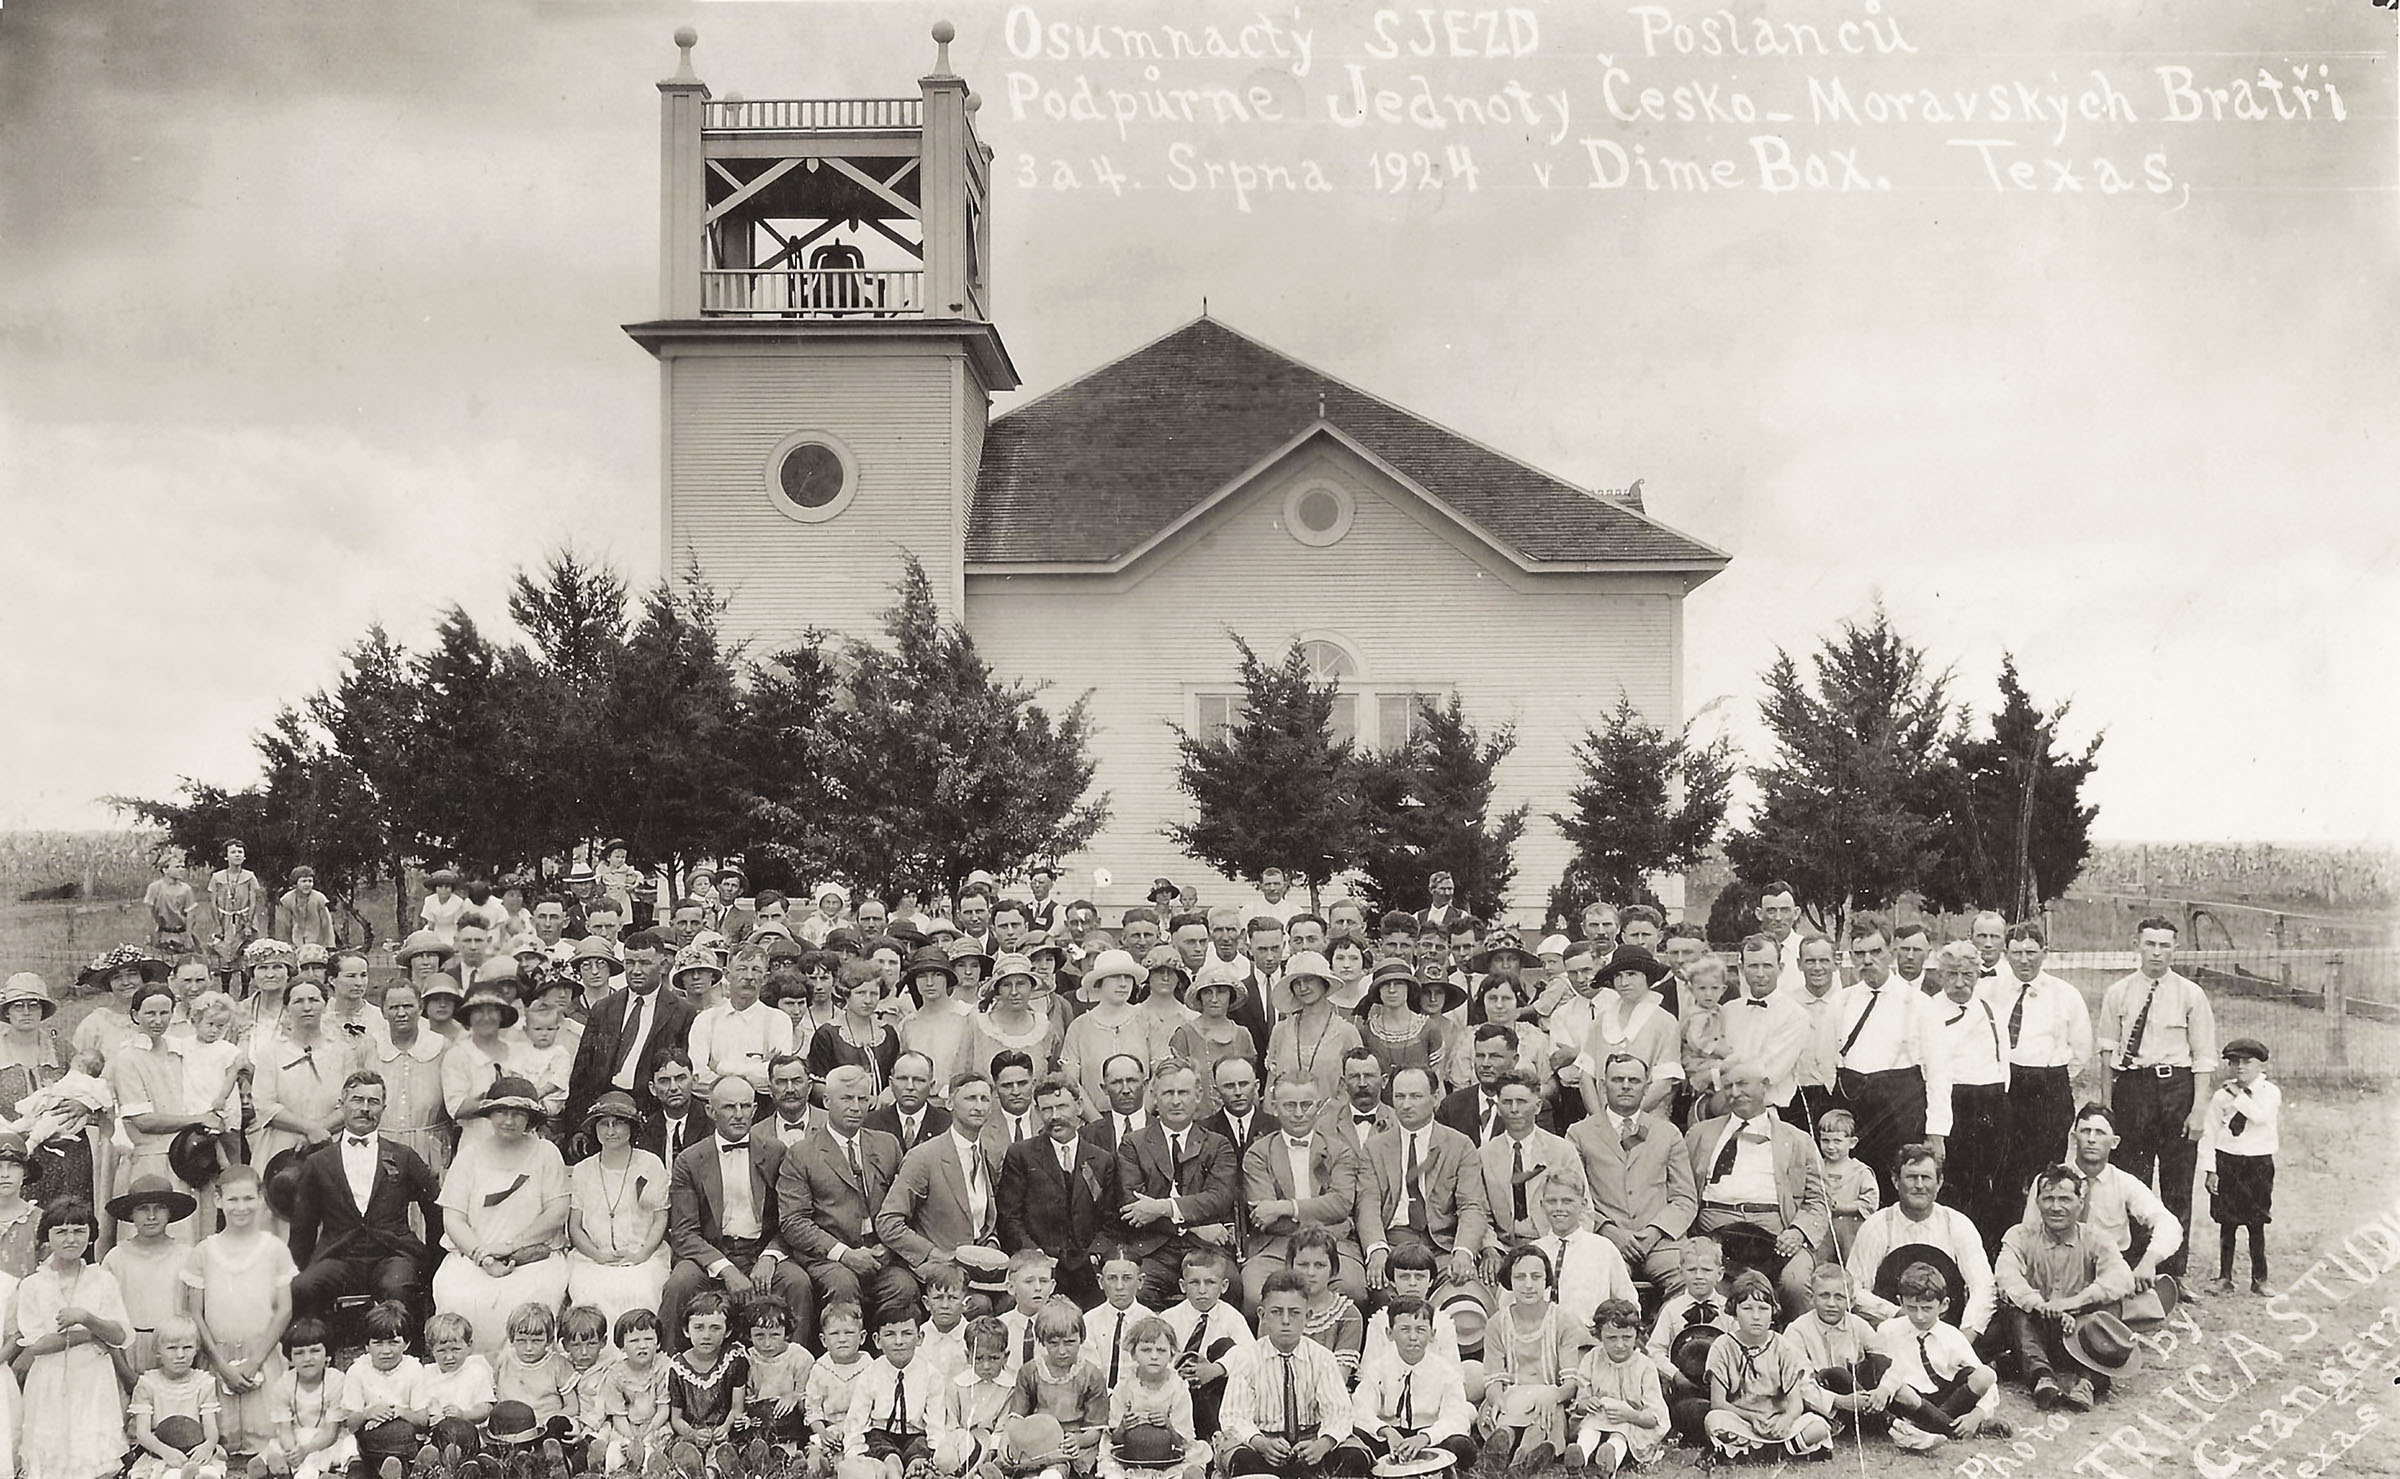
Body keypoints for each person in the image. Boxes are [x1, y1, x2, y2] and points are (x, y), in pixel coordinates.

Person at [2097, 915, 2218, 1284]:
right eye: (2150, 944)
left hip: (2177, 1089)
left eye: (2165, 945)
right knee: (2132, 1180)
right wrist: (2107, 1110)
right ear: (2137, 945)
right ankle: (2133, 1270)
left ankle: (2174, 1274)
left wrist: (2198, 1110)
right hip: (2133, 1090)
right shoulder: (2118, 992)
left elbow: (2203, 1057)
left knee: (2177, 1183)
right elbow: (2106, 1054)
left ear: (2175, 949)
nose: (2157, 952)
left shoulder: (2190, 994)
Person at [661, 1078, 816, 1352]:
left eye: (746, 1106)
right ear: (711, 1111)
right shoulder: (689, 1160)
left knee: (797, 1282)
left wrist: (770, 1256)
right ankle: (674, 1368)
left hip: (761, 1252)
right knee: (679, 1283)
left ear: (756, 1109)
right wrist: (726, 1269)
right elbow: (684, 1233)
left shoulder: (776, 1152)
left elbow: (790, 1218)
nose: (739, 1114)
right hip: (711, 1256)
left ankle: (796, 1367)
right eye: (729, 1107)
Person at [284, 1071, 444, 1328]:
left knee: (399, 1286)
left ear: (384, 1108)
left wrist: (435, 1264)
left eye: (373, 1102)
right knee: (304, 1287)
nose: (365, 1109)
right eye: (358, 1100)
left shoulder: (403, 1156)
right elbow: (303, 1226)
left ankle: (409, 1358)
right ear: (342, 1104)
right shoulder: (319, 1162)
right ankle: (318, 1355)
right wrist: (295, 1270)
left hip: (392, 1254)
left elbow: (435, 1210)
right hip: (339, 1257)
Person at [432, 1077, 571, 1353]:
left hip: (532, 1257)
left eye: (518, 1114)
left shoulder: (546, 1153)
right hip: (473, 1256)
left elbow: (557, 1213)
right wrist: (482, 1255)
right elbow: (453, 1218)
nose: (508, 1120)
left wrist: (511, 1247)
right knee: (456, 1294)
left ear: (530, 1118)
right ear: (490, 1114)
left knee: (529, 1300)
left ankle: (525, 1375)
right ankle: (470, 1376)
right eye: (501, 1112)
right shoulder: (469, 1156)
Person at [778, 1065, 918, 1331]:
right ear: (827, 1101)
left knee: (904, 1286)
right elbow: (793, 1222)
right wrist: (843, 1254)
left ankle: (884, 1357)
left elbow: (906, 1206)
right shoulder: (802, 1153)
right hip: (830, 1259)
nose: (856, 1107)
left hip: (881, 1255)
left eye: (863, 1099)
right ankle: (844, 1359)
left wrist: (890, 1247)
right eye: (847, 1099)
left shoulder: (887, 1145)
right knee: (843, 1284)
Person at [1683, 1062, 1828, 1315]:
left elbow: (1820, 1200)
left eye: (1743, 1084)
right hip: (1713, 1229)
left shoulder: (1797, 1140)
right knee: (1700, 1281)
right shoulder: (1699, 1135)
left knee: (1795, 1283)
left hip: (1777, 1232)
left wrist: (1798, 1232)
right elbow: (1680, 1190)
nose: (1735, 1092)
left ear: (1765, 1086)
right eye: (1728, 1086)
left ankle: (1798, 1348)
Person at [1828, 915, 1947, 1208]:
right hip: (1856, 1109)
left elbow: (1939, 1072)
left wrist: (1937, 1131)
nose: (1868, 961)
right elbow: (1825, 1060)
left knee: (1900, 1189)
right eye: (1860, 954)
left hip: (1901, 1111)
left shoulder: (1920, 1004)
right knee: (1854, 1190)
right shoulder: (1841, 1002)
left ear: (1890, 951)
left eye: (1876, 952)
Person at [1996, 1164, 2136, 1412]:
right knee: (2013, 1308)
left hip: (2082, 1335)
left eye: (2064, 1199)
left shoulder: (2096, 1238)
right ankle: (2042, 1378)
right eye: (2048, 1199)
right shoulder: (2020, 1235)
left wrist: (2073, 1304)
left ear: (2080, 1203)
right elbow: (2007, 1277)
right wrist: (2043, 1306)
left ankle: (2088, 1383)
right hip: (2035, 1332)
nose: (2056, 1207)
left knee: (2111, 1305)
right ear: (2037, 1202)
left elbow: (2121, 1277)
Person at [14, 1200, 132, 1479]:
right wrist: (90, 1334)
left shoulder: (103, 1280)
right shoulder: (32, 1285)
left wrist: (86, 1317)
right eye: (61, 1231)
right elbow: (37, 1345)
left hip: (94, 1382)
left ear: (91, 1235)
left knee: (94, 1462)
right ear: (47, 1237)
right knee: (50, 1464)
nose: (71, 1239)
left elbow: (120, 1336)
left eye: (79, 1231)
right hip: (49, 1383)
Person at [1214, 1272, 1369, 1479]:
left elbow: (1339, 1411)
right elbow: (1234, 1415)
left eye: (1295, 1312)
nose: (1285, 1321)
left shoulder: (1322, 1358)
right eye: (1277, 1312)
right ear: (1262, 1315)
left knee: (1354, 1457)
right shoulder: (1246, 1358)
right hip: (1264, 1445)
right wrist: (1260, 1443)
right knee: (1240, 1458)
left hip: (1312, 1444)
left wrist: (1323, 1444)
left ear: (1308, 1316)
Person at [1110, 1059, 1237, 1310]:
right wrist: (1192, 1228)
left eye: (1183, 1092)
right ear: (1154, 1096)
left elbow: (1218, 1199)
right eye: (1168, 1093)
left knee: (1231, 1285)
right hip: (1153, 1249)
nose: (1176, 1101)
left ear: (1198, 1095)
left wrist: (1161, 1207)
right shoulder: (1133, 1144)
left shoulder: (1217, 1144)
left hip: (1207, 1249)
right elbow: (1132, 1207)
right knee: (1139, 1291)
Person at [1843, 1143, 1998, 1343]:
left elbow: (1983, 1287)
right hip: (1891, 1334)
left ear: (1939, 1182)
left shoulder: (1958, 1224)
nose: (1919, 1185)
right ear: (1895, 1181)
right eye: (1911, 1177)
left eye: (1926, 1177)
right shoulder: (1877, 1226)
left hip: (1949, 1332)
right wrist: (1897, 1314)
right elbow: (1853, 1288)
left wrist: (1964, 1337)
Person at [1566, 1051, 1699, 1286]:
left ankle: (1665, 1323)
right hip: (1606, 1241)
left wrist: (1655, 1232)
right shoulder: (1579, 1133)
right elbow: (1573, 1197)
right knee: (1602, 1282)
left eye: (1634, 1081)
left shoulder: (1667, 1133)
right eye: (1618, 1080)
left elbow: (1685, 1198)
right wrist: (1607, 1230)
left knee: (1690, 1283)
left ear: (1646, 1087)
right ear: (1603, 1085)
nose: (1626, 1086)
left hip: (1662, 1243)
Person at [2026, 1104, 2183, 1293]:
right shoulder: (2048, 1181)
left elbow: (2169, 1223)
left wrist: (2148, 1262)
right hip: (2056, 1267)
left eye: (2100, 1133)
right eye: (2085, 1131)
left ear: (2114, 1142)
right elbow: (2028, 1233)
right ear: (2074, 1138)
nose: (2091, 1139)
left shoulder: (2124, 1182)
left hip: (2107, 1270)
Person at [1991, 922, 2095, 1205]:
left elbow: (2081, 1049)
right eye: (2016, 952)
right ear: (2006, 953)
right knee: (2005, 1167)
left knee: (2047, 1170)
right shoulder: (1990, 991)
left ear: (2044, 952)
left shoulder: (2065, 994)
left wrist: (2051, 1077)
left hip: (2049, 1088)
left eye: (2031, 952)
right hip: (2006, 1086)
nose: (2024, 959)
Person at [1359, 1067, 1488, 1295]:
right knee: (1384, 1299)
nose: (1406, 1105)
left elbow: (1472, 1205)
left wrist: (1463, 1251)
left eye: (1416, 1096)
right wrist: (1377, 1249)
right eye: (1400, 1096)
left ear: (1435, 1097)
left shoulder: (1460, 1145)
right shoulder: (1374, 1147)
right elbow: (1367, 1204)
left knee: (1462, 1297)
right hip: (1393, 1245)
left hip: (1441, 1246)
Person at [999, 1074, 1123, 1309]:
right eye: (1047, 1110)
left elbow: (1111, 1221)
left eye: (1062, 1107)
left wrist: (1094, 1255)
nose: (1055, 1117)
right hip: (1041, 1271)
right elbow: (1010, 1218)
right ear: (1037, 1112)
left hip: (1088, 1271)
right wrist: (1036, 1256)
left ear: (1079, 1106)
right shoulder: (1021, 1155)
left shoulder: (1101, 1159)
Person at [1240, 1077, 1366, 1308]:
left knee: (1352, 1289)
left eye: (1306, 1105)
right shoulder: (1258, 1154)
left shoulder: (1340, 1152)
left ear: (1318, 1105)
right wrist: (1334, 1223)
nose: (1299, 1113)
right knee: (1254, 1294)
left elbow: (1341, 1204)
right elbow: (1266, 1220)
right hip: (1276, 1246)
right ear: (1274, 1106)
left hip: (1333, 1246)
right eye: (1289, 1105)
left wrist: (1285, 1207)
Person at [109, 981, 218, 1241]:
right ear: (135, 1015)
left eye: (164, 1013)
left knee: (191, 1239)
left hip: (190, 1159)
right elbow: (143, 1120)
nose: (158, 1020)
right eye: (150, 1013)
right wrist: (198, 1119)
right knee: (154, 1232)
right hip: (152, 1161)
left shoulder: (181, 1050)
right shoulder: (127, 1059)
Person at [564, 929, 696, 1140]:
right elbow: (582, 1074)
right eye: (629, 963)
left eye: (644, 963)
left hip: (652, 1114)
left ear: (662, 965)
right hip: (604, 1110)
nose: (636, 970)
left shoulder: (682, 1012)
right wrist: (578, 1127)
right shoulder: (603, 1009)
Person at [1869, 1261, 2011, 1452]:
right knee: (1901, 1390)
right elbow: (1883, 1371)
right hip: (1909, 1401)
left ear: (1943, 1305)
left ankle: (1931, 1427)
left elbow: (1989, 1384)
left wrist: (1977, 1414)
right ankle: (1953, 1428)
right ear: (1901, 1302)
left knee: (1985, 1374)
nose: (1919, 1316)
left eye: (1926, 1308)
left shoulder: (1952, 1336)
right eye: (1912, 1308)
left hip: (1946, 1397)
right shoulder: (1888, 1330)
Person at [563, 1091, 672, 1332]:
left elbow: (659, 1217)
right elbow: (575, 1226)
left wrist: (642, 1254)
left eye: (618, 1123)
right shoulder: (583, 1170)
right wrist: (597, 1255)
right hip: (593, 1258)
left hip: (642, 1256)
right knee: (591, 1295)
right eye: (604, 1124)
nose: (611, 1131)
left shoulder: (650, 1164)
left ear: (632, 1128)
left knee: (641, 1292)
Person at [1925, 941, 2012, 1243]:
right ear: (1940, 975)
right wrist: (1936, 1130)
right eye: (1951, 975)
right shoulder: (1929, 1010)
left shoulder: (1989, 1008)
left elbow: (2003, 1060)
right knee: (1954, 1186)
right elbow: (1931, 1073)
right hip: (1951, 1106)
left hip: (1989, 1105)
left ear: (1977, 974)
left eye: (1967, 974)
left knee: (1990, 1186)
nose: (1960, 983)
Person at [1701, 1270, 1831, 1461]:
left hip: (1778, 1421)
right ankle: (1783, 1451)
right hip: (1743, 1421)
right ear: (1734, 1311)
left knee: (1818, 1426)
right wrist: (1751, 1418)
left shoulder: (1783, 1347)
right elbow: (1718, 1403)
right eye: (1747, 1308)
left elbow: (1796, 1403)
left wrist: (1785, 1420)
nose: (1756, 1316)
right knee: (1714, 1421)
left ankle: (1765, 1452)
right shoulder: (1723, 1346)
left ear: (1773, 1311)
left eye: (1763, 1309)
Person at [0, 975, 99, 1225]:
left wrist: (84, 1106)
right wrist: (10, 1136)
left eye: (33, 1004)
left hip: (69, 1155)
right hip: (12, 1153)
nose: (26, 1011)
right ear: (7, 1011)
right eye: (18, 1005)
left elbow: (90, 1086)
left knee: (68, 1219)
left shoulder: (62, 1049)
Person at [2200, 1037, 2279, 1295]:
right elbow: (2209, 1133)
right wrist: (2210, 1170)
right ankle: (2224, 1277)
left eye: (2247, 1062)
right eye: (2234, 1062)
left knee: (2256, 1221)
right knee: (2228, 1221)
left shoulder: (2270, 1093)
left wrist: (2236, 1094)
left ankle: (2260, 1279)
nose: (2240, 1067)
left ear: (2260, 1065)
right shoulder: (2221, 1096)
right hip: (2229, 1161)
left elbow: (2259, 1115)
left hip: (2258, 1162)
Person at [1575, 947, 1682, 1119]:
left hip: (1648, 1117)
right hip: (1602, 1119)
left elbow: (1664, 1082)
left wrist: (1629, 1117)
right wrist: (1600, 1119)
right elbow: (1586, 1076)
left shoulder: (1665, 1022)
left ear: (1647, 977)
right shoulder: (1601, 1020)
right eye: (1618, 976)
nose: (1624, 982)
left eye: (1631, 974)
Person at [845, 1307, 951, 1479]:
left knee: (919, 1458)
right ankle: (894, 1471)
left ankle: (915, 1469)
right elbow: (856, 1419)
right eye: (890, 1334)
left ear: (920, 1338)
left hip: (915, 1436)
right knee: (891, 1463)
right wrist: (854, 1454)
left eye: (907, 1333)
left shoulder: (932, 1375)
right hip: (881, 1435)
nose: (899, 1341)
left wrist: (935, 1456)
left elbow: (936, 1423)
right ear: (877, 1340)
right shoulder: (870, 1374)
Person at [104, 1176, 195, 1373]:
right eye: (143, 1209)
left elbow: (196, 1311)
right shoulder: (116, 1257)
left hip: (176, 1351)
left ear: (170, 1212)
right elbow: (106, 1317)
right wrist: (124, 1370)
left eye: (159, 1208)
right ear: (132, 1214)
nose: (151, 1216)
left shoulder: (186, 1255)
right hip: (129, 1349)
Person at [1568, 1298, 1668, 1473]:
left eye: (1627, 1337)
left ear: (1637, 1334)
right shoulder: (1592, 1359)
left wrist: (1631, 1415)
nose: (1620, 1345)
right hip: (1597, 1421)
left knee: (1620, 1432)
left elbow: (1654, 1417)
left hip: (1633, 1424)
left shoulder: (1645, 1366)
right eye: (1612, 1338)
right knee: (1590, 1425)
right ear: (1599, 1335)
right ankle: (1579, 1459)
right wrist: (1587, 1403)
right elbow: (1581, 1401)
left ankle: (1609, 1464)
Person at [125, 1315, 225, 1479]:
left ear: (196, 1348)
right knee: (168, 1475)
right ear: (157, 1350)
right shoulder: (148, 1384)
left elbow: (210, 1427)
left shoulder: (203, 1382)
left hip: (195, 1450)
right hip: (160, 1452)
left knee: (209, 1473)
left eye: (187, 1347)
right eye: (172, 1348)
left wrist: (208, 1446)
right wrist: (166, 1452)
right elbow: (143, 1433)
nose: (180, 1355)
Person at [1262, 954, 1362, 1110]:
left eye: (1309, 980)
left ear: (1324, 983)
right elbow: (1271, 1086)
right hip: (1287, 1123)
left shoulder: (1347, 1033)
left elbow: (1356, 1086)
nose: (1303, 988)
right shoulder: (1280, 1031)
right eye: (1297, 983)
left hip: (1333, 1124)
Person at [146, 856, 201, 956]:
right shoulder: (154, 888)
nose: (181, 870)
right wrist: (152, 935)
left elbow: (190, 915)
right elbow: (149, 914)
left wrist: (188, 936)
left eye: (182, 867)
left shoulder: (186, 889)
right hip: (163, 933)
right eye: (177, 867)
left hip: (181, 933)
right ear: (165, 869)